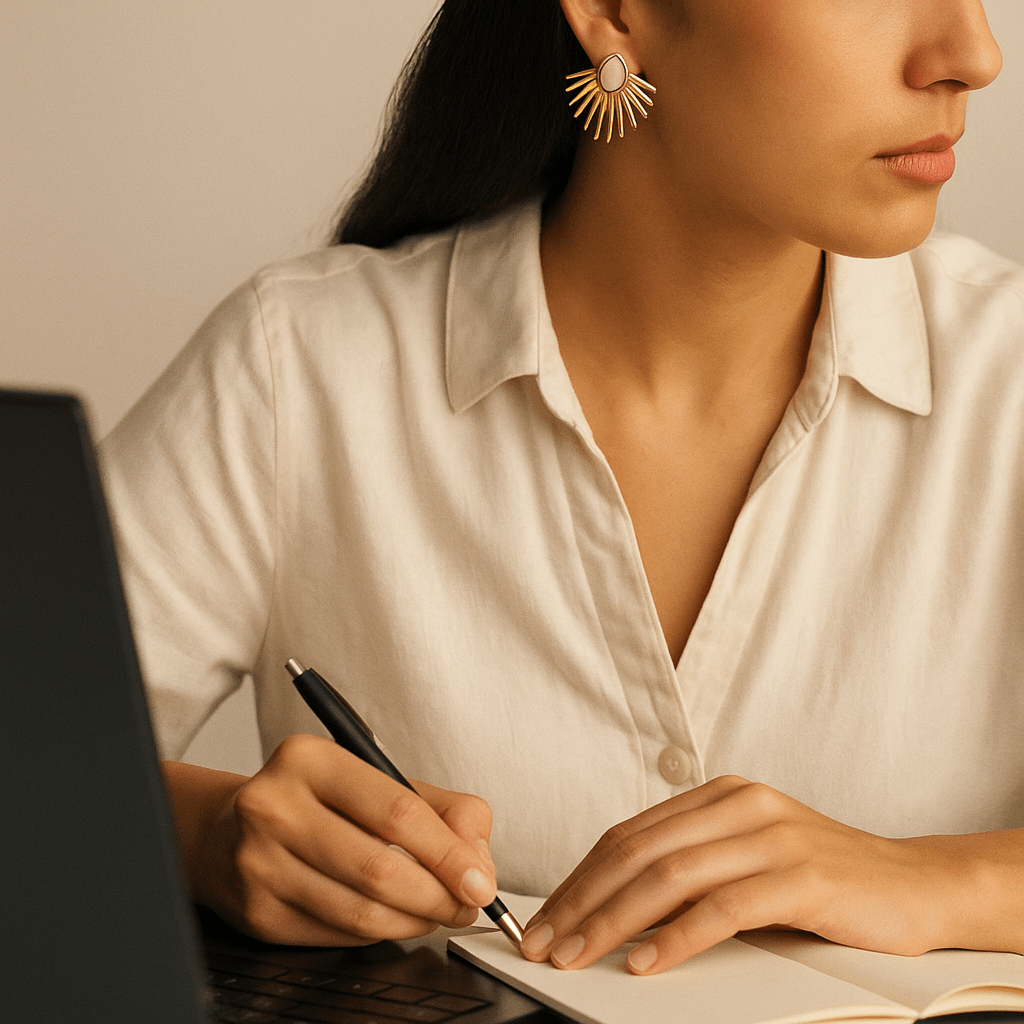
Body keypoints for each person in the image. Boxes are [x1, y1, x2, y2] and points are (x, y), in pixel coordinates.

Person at [101, 0, 1024, 978]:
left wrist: (928, 881)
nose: (972, 55)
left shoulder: (1004, 379)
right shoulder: (301, 369)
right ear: (615, 13)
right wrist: (201, 835)